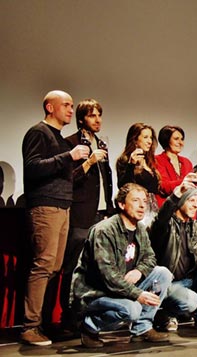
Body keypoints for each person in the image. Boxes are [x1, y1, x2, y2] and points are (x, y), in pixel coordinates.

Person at [20, 90, 90, 346]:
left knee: (55, 267)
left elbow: (64, 173)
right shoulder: (39, 132)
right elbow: (33, 167)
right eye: (66, 105)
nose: (71, 110)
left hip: (63, 206)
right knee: (44, 265)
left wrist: (84, 164)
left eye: (72, 106)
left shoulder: (60, 139)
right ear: (50, 107)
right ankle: (30, 326)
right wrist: (68, 157)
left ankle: (44, 323)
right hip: (45, 206)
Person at [71, 183, 173, 348]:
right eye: (135, 200)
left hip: (122, 286)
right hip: (96, 293)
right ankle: (89, 326)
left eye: (144, 201)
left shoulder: (140, 229)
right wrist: (138, 294)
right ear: (121, 204)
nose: (142, 205)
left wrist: (139, 271)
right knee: (132, 309)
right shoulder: (104, 230)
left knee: (163, 274)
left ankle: (142, 328)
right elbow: (108, 275)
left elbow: (150, 258)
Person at [60, 98, 115, 332]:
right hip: (81, 215)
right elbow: (67, 180)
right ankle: (68, 317)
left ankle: (89, 316)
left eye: (99, 115)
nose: (98, 120)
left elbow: (107, 181)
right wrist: (89, 162)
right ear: (82, 118)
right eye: (93, 115)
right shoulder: (70, 143)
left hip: (101, 213)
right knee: (73, 268)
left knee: (97, 268)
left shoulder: (101, 143)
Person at [149, 173, 197, 332]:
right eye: (191, 200)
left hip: (191, 279)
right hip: (169, 283)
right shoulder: (166, 225)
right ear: (181, 201)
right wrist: (177, 193)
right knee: (191, 301)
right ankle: (164, 314)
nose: (196, 205)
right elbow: (160, 218)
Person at [116, 123, 160, 226]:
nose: (149, 141)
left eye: (151, 138)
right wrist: (131, 164)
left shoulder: (150, 161)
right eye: (145, 137)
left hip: (152, 210)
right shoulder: (125, 160)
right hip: (136, 210)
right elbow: (123, 186)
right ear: (135, 140)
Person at [155, 125, 193, 207]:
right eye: (176, 139)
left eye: (182, 139)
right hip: (167, 207)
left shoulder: (187, 162)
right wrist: (185, 182)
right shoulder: (157, 160)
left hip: (186, 207)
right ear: (166, 140)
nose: (181, 143)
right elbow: (163, 186)